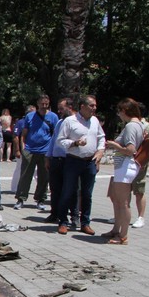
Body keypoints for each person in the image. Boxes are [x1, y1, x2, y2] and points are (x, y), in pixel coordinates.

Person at [55, 95, 106, 236]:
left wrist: (100, 151)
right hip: (73, 160)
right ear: (82, 106)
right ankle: (63, 222)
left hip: (90, 161)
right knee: (68, 192)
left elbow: (101, 137)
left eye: (95, 105)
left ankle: (85, 223)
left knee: (87, 194)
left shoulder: (95, 121)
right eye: (91, 106)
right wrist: (74, 143)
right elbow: (60, 141)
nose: (94, 108)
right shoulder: (70, 121)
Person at [103, 98, 145, 245]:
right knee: (118, 200)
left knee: (123, 203)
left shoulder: (131, 126)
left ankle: (123, 236)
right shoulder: (138, 125)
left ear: (125, 111)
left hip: (126, 166)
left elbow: (130, 149)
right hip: (124, 166)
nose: (118, 115)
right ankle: (116, 230)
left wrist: (114, 145)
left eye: (120, 111)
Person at [14, 95, 57, 211]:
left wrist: (52, 151)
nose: (44, 106)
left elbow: (55, 135)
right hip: (30, 150)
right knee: (25, 176)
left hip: (45, 151)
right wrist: (23, 149)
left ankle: (40, 199)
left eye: (46, 104)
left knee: (44, 177)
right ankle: (21, 198)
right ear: (37, 104)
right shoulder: (30, 116)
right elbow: (23, 134)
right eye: (42, 104)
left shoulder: (53, 117)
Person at [44, 97, 76, 225]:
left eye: (61, 109)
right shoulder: (59, 122)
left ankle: (74, 216)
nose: (59, 111)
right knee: (55, 188)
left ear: (70, 107)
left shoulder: (76, 122)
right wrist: (48, 156)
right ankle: (54, 213)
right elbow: (53, 140)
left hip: (69, 159)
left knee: (71, 189)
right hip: (56, 160)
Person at [131, 103, 149, 229]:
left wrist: (143, 163)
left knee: (139, 190)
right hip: (128, 161)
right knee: (124, 189)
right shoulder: (130, 124)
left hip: (139, 163)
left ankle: (140, 217)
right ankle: (122, 214)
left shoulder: (148, 127)